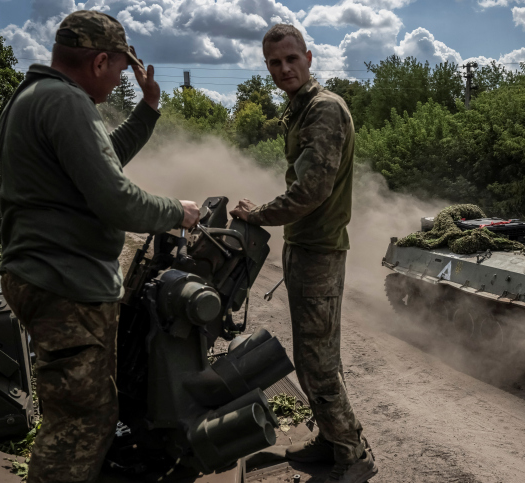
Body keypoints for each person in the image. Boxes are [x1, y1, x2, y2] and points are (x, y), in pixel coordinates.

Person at [0, 11, 200, 483]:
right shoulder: (65, 102)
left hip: (49, 278)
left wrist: (147, 110)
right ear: (100, 61)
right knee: (79, 425)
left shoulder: (34, 97)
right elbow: (113, 197)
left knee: (84, 415)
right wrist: (177, 210)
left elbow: (98, 161)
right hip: (64, 284)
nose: (121, 80)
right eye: (122, 69)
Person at [229, 24, 377, 483]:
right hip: (305, 247)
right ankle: (331, 440)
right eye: (274, 62)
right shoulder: (301, 110)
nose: (283, 69)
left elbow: (311, 189)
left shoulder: (323, 109)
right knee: (312, 359)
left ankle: (352, 456)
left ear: (309, 58)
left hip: (319, 251)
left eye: (291, 59)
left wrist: (258, 216)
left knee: (319, 365)